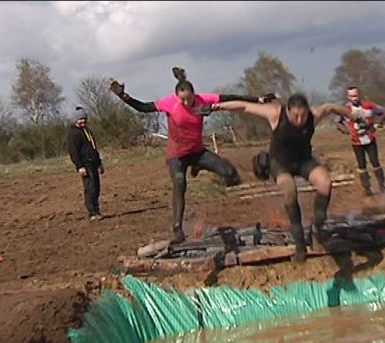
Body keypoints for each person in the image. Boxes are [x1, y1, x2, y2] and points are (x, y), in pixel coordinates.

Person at [108, 67, 274, 243]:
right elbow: (143, 108)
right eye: (182, 100)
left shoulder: (203, 100)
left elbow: (231, 98)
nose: (186, 103)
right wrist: (123, 96)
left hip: (197, 152)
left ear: (195, 94)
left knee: (230, 172)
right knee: (179, 181)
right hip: (177, 155)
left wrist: (259, 99)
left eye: (189, 99)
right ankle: (177, 228)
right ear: (176, 97)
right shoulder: (169, 103)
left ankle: (199, 166)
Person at [198, 94, 354, 264]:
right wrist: (215, 107)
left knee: (325, 183)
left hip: (303, 160)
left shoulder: (314, 115)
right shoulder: (275, 114)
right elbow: (243, 106)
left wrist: (354, 116)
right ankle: (299, 243)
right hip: (280, 163)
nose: (300, 120)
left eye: (303, 115)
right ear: (287, 111)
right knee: (289, 189)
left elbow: (331, 107)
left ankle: (317, 228)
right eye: (295, 116)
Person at [334, 86, 385, 197]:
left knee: (375, 162)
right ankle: (367, 188)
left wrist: (378, 123)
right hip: (356, 141)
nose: (354, 98)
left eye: (356, 95)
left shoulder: (369, 105)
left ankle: (382, 186)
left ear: (359, 95)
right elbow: (337, 122)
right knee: (361, 165)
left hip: (370, 138)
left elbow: (383, 111)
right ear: (348, 97)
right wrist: (347, 131)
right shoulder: (345, 110)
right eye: (352, 96)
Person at [67, 107, 104, 221]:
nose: (83, 121)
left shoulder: (87, 131)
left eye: (84, 119)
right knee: (90, 188)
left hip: (93, 163)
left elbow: (93, 148)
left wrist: (99, 163)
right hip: (85, 164)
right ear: (75, 120)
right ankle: (92, 212)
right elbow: (73, 152)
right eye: (80, 119)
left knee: (96, 188)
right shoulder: (73, 134)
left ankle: (97, 210)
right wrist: (80, 166)